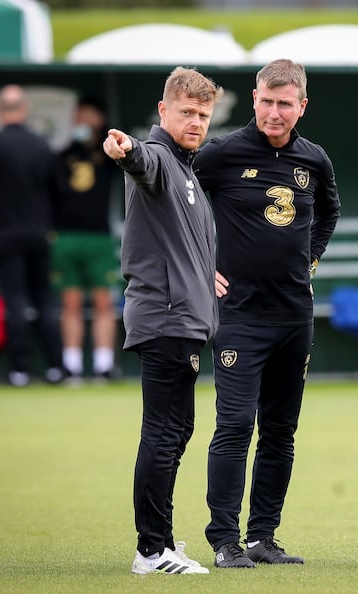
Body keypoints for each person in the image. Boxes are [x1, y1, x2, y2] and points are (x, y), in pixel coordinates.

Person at [193, 59, 341, 569]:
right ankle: (224, 540)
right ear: (254, 99)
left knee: (280, 431)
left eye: (285, 104)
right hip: (238, 315)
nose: (274, 112)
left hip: (294, 316)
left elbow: (330, 210)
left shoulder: (314, 159)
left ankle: (263, 537)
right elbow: (177, 201)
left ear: (302, 107)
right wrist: (199, 266)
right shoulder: (221, 153)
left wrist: (311, 257)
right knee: (234, 426)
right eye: (267, 101)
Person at [102, 67, 222, 576]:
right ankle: (153, 549)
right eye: (187, 113)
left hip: (184, 318)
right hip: (167, 320)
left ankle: (161, 541)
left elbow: (177, 243)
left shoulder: (187, 168)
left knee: (175, 431)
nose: (196, 122)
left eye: (203, 115)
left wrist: (204, 277)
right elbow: (141, 161)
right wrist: (127, 149)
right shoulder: (159, 159)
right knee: (164, 431)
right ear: (163, 112)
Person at [0, 84, 64, 387]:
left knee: (16, 302)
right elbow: (58, 190)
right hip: (37, 236)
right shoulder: (40, 144)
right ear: (23, 110)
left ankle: (19, 370)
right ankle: (55, 368)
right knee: (44, 301)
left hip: (5, 237)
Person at [53, 96, 120, 382]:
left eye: (89, 114)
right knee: (70, 301)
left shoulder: (108, 152)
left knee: (104, 300)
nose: (83, 119)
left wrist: (99, 132)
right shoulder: (63, 153)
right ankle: (72, 365)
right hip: (66, 236)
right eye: (79, 113)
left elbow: (123, 156)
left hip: (99, 237)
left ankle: (104, 365)